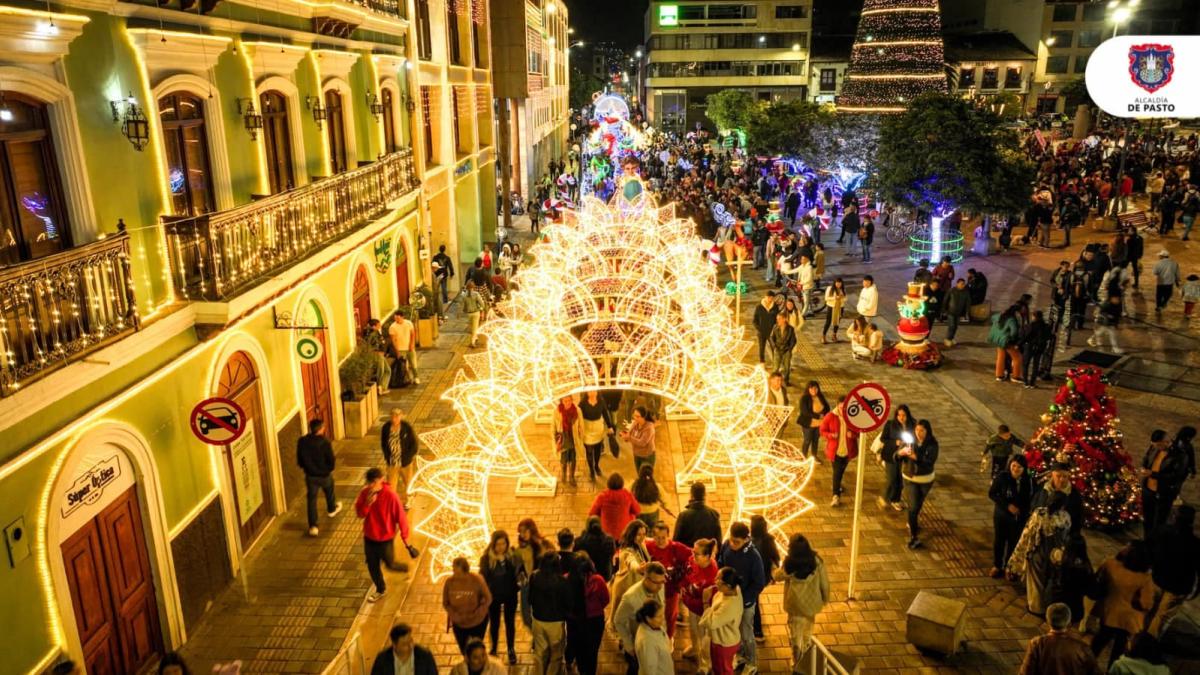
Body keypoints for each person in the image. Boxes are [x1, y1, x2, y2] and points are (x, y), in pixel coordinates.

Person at [1092, 542, 1156, 668]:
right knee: (1118, 650)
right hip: (1129, 621)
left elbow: (1099, 579)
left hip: (1109, 613)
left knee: (1098, 643)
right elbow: (1146, 604)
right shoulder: (1144, 578)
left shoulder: (1110, 564)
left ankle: (1086, 666)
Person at [1008, 492, 1073, 615]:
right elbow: (1066, 535)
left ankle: (1036, 608)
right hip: (1056, 553)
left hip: (1040, 550)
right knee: (1050, 579)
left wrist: (1017, 556)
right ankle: (1049, 604)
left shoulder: (1039, 514)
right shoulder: (1065, 517)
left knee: (1036, 581)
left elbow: (1028, 534)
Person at [355, 468, 411, 602]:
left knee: (390, 564)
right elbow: (360, 514)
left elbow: (401, 517)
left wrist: (406, 540)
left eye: (373, 482)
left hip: (385, 539)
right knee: (372, 566)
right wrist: (368, 504)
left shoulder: (390, 495)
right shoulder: (365, 493)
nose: (370, 486)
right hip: (369, 537)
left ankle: (406, 568)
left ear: (380, 480)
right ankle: (380, 589)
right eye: (369, 483)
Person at [773, 534, 829, 669]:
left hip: (795, 605)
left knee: (795, 633)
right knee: (807, 631)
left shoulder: (790, 564)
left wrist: (774, 569)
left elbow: (778, 576)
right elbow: (824, 584)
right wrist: (825, 598)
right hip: (811, 604)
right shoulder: (816, 561)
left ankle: (797, 660)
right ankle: (807, 653)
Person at [717, 522, 766, 673]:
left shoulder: (754, 557)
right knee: (736, 630)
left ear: (746, 539)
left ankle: (752, 663)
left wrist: (742, 598)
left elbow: (759, 583)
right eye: (731, 540)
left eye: (736, 542)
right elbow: (721, 563)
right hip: (730, 599)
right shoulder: (727, 545)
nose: (732, 544)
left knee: (747, 633)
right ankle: (741, 655)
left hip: (746, 603)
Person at [1147, 506, 1199, 637]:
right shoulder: (1195, 544)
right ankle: (1147, 643)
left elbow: (1148, 550)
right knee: (1161, 618)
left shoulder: (1161, 532)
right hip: (1177, 587)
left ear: (1175, 517)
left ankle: (1136, 639)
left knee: (1148, 610)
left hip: (1157, 579)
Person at [1016, 603, 1102, 675]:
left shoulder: (1037, 644)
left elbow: (1025, 672)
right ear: (1069, 622)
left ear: (1048, 621)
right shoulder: (1081, 647)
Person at [612, 562, 667, 674]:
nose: (660, 586)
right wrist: (629, 645)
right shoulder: (630, 597)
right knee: (636, 669)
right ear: (646, 578)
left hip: (656, 638)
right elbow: (618, 621)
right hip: (639, 644)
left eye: (662, 581)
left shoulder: (659, 586)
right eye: (656, 582)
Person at [479, 531, 523, 663]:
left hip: (510, 595)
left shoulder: (512, 556)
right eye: (498, 544)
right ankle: (494, 648)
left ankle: (511, 649)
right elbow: (483, 576)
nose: (501, 547)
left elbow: (519, 571)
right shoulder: (487, 558)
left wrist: (519, 581)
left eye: (503, 543)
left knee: (510, 623)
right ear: (493, 545)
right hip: (493, 596)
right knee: (494, 623)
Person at [989, 455, 1033, 578]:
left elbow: (1030, 498)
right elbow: (992, 494)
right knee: (1000, 541)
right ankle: (997, 565)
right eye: (1014, 465)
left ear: (1024, 468)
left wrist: (1023, 511)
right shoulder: (1002, 477)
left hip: (1019, 518)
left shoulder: (1028, 481)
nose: (1016, 469)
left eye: (1019, 467)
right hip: (1002, 516)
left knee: (1013, 542)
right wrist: (1007, 506)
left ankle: (1009, 567)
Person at [898, 419, 938, 549]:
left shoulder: (932, 444)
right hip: (910, 478)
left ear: (927, 431)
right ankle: (913, 536)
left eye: (922, 430)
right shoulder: (909, 441)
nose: (918, 433)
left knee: (919, 504)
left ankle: (913, 521)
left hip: (926, 479)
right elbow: (895, 456)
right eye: (917, 430)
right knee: (913, 507)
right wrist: (901, 453)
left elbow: (930, 461)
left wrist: (917, 457)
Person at [1140, 429, 1189, 536]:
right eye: (1153, 445)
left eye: (1158, 445)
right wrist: (1143, 466)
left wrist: (1152, 474)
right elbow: (1146, 457)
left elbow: (1176, 477)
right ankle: (1147, 541)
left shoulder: (1180, 455)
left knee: (1158, 522)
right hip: (1148, 491)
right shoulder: (1154, 447)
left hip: (1163, 494)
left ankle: (1155, 545)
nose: (1155, 448)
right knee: (1147, 520)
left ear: (1166, 442)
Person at [297, 418, 341, 536]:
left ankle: (313, 526)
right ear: (321, 429)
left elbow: (300, 459)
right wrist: (328, 469)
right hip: (324, 475)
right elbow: (331, 459)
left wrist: (306, 468)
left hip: (310, 476)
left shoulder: (302, 441)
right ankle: (331, 509)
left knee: (312, 500)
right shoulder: (325, 442)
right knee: (329, 490)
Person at [530, 552, 572, 675]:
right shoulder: (562, 581)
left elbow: (530, 598)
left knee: (539, 653)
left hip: (538, 620)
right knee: (556, 655)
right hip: (556, 623)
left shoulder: (534, 576)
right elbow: (568, 603)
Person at [681, 538, 719, 673]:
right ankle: (694, 647)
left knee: (704, 638)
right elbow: (687, 572)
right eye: (693, 551)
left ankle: (705, 664)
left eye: (697, 553)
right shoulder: (694, 561)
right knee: (693, 629)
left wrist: (685, 599)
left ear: (707, 556)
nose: (693, 555)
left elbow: (704, 603)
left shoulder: (712, 576)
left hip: (702, 611)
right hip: (691, 604)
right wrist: (683, 586)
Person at [701, 567, 745, 675]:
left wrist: (705, 602)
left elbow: (711, 623)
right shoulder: (735, 588)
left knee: (724, 670)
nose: (715, 580)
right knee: (718, 667)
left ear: (728, 586)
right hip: (722, 639)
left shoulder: (729, 606)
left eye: (718, 579)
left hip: (724, 643)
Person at [443, 556, 492, 654]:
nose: (455, 575)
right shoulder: (449, 583)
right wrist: (455, 616)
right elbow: (446, 603)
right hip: (459, 624)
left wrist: (478, 613)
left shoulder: (477, 580)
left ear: (465, 571)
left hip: (477, 623)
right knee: (464, 650)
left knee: (476, 649)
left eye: (458, 572)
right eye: (454, 571)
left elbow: (488, 598)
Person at [820, 395, 860, 507]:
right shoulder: (830, 416)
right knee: (837, 472)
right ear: (837, 406)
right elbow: (822, 430)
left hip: (848, 450)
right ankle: (835, 495)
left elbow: (859, 432)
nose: (843, 410)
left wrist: (853, 435)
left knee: (840, 471)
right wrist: (831, 435)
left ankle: (836, 485)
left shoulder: (852, 416)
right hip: (835, 451)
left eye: (845, 408)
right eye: (841, 407)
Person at [576, 554, 611, 675]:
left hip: (578, 619)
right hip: (596, 619)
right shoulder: (599, 580)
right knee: (593, 650)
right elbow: (606, 599)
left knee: (580, 648)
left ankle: (581, 670)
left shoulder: (570, 580)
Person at [610, 519, 652, 621]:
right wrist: (638, 568)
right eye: (639, 534)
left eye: (644, 534)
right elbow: (631, 562)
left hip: (636, 588)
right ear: (632, 534)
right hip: (625, 587)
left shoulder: (641, 543)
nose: (642, 537)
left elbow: (650, 540)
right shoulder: (627, 551)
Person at [876, 404, 914, 511]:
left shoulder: (912, 425)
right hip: (891, 456)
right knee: (892, 479)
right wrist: (895, 442)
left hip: (905, 457)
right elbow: (884, 439)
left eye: (904, 415)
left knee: (900, 480)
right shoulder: (890, 425)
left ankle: (896, 500)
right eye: (899, 415)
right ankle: (885, 497)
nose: (901, 418)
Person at [1032, 461, 1085, 537]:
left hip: (1064, 537)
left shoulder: (1074, 494)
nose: (1061, 479)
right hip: (1041, 535)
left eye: (1064, 476)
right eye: (1058, 476)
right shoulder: (1043, 489)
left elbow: (1078, 519)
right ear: (1052, 476)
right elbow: (1033, 506)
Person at [749, 515, 780, 642]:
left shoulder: (750, 542)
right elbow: (776, 558)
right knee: (754, 599)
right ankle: (757, 631)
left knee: (754, 601)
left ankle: (758, 631)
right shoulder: (769, 540)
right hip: (764, 577)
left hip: (753, 578)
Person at [380, 408, 417, 504]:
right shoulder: (386, 428)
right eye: (393, 416)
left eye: (397, 416)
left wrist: (409, 456)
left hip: (405, 462)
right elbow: (383, 443)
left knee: (408, 482)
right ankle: (392, 502)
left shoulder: (406, 427)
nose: (394, 418)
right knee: (391, 484)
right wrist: (387, 456)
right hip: (392, 461)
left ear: (401, 416)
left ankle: (410, 498)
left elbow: (414, 443)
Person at [369, 623, 438, 675]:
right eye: (404, 644)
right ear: (394, 645)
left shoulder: (424, 656)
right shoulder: (382, 660)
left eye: (411, 641)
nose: (410, 646)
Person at [579, 391, 616, 485]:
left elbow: (605, 414)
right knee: (589, 451)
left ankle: (596, 466)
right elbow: (578, 415)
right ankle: (591, 470)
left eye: (594, 391)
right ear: (586, 392)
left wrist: (610, 426)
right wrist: (578, 426)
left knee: (597, 450)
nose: (592, 393)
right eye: (590, 391)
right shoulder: (582, 403)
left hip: (598, 429)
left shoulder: (601, 401)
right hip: (587, 429)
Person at [516, 518, 548, 626]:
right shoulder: (522, 548)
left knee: (540, 615)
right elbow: (519, 567)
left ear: (531, 530)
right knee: (526, 617)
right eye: (520, 531)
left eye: (525, 531)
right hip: (527, 585)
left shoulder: (543, 545)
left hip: (541, 585)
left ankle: (538, 639)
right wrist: (520, 576)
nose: (522, 534)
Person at [589, 473, 641, 540]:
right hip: (624, 532)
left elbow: (592, 513)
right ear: (622, 483)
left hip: (606, 533)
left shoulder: (602, 496)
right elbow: (637, 511)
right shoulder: (627, 495)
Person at [674, 482, 722, 547]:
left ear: (691, 495)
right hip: (708, 555)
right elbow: (718, 542)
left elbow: (676, 542)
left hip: (689, 555)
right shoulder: (714, 514)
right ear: (705, 495)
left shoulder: (683, 516)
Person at [633, 599, 673, 675]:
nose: (663, 619)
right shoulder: (647, 642)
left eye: (662, 615)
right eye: (659, 616)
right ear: (648, 618)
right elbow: (650, 671)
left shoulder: (655, 625)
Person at [553, 395, 585, 487]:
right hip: (563, 438)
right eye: (565, 401)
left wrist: (581, 436)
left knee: (573, 458)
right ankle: (563, 474)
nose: (568, 403)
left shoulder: (577, 410)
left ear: (572, 400)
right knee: (563, 459)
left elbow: (581, 424)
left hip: (573, 438)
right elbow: (553, 425)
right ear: (562, 401)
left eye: (569, 400)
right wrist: (555, 439)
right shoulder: (557, 411)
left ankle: (571, 477)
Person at [797, 381, 830, 464]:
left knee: (815, 440)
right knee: (807, 440)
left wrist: (824, 415)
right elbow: (805, 412)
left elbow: (827, 407)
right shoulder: (804, 398)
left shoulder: (820, 397)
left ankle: (814, 456)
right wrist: (818, 416)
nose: (814, 390)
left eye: (815, 388)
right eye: (811, 388)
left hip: (819, 424)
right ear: (808, 389)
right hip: (809, 424)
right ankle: (803, 457)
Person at [633, 464, 675, 529]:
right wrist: (669, 510)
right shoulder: (657, 486)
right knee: (653, 530)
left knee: (639, 530)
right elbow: (665, 500)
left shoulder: (634, 485)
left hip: (639, 513)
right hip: (653, 512)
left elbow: (628, 496)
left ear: (640, 474)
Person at [575, 515, 617, 580]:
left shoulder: (579, 542)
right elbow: (612, 554)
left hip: (586, 576)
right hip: (605, 576)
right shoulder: (609, 540)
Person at [989, 306, 1022, 382]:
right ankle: (1016, 376)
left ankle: (999, 375)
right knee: (1017, 358)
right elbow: (1014, 332)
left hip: (999, 340)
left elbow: (992, 318)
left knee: (1000, 357)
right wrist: (1013, 339)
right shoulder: (1011, 320)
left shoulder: (997, 317)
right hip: (1007, 341)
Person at [621, 406, 657, 474]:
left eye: (638, 416)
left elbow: (642, 442)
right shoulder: (635, 423)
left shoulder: (649, 428)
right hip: (637, 455)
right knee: (639, 474)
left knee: (646, 476)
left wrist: (629, 438)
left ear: (644, 417)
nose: (635, 418)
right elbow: (630, 433)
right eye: (634, 416)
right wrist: (625, 436)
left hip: (647, 456)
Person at [387, 309, 420, 386]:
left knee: (413, 363)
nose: (396, 320)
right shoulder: (392, 327)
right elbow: (393, 340)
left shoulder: (408, 323)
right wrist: (397, 351)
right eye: (395, 318)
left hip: (409, 347)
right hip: (400, 349)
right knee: (404, 365)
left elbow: (412, 334)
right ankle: (408, 378)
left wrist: (412, 344)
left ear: (402, 317)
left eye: (398, 318)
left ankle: (416, 377)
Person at [1021, 310, 1053, 386]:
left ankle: (1025, 382)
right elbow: (1049, 337)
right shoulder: (1046, 326)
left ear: (1034, 317)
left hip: (1029, 347)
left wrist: (1019, 344)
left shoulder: (1030, 325)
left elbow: (1025, 336)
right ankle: (1032, 382)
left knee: (1025, 364)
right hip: (1040, 348)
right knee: (1036, 365)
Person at [361, 319, 392, 394]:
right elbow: (372, 345)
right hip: (377, 354)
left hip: (380, 354)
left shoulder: (376, 332)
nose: (380, 326)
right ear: (374, 326)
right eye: (378, 325)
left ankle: (382, 387)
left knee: (387, 370)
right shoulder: (372, 334)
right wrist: (378, 352)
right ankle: (380, 387)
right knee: (381, 371)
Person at [768, 312, 796, 385]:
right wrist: (774, 346)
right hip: (777, 349)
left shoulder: (790, 329)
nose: (778, 321)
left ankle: (786, 381)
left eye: (779, 319)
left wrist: (790, 349)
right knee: (775, 367)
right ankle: (773, 381)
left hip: (786, 350)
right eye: (777, 319)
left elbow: (793, 340)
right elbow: (771, 337)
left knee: (787, 367)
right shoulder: (775, 327)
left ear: (784, 319)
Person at [752, 292, 779, 363]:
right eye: (769, 297)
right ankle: (762, 362)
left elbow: (777, 319)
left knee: (774, 348)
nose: (770, 299)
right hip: (762, 332)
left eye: (772, 298)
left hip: (772, 332)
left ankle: (775, 362)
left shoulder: (775, 306)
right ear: (765, 297)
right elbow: (754, 320)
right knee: (762, 348)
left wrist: (775, 328)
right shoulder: (759, 307)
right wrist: (759, 328)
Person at [943, 278, 970, 347]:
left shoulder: (966, 292)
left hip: (959, 313)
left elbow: (967, 303)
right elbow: (945, 300)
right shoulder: (951, 290)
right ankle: (947, 339)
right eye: (961, 284)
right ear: (957, 284)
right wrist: (944, 310)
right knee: (951, 326)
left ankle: (951, 338)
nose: (962, 285)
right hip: (950, 312)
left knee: (955, 326)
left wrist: (966, 313)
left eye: (963, 284)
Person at [822, 277, 846, 343]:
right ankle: (823, 336)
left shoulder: (842, 289)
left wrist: (841, 298)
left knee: (837, 322)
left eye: (840, 283)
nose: (838, 284)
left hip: (840, 307)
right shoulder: (830, 288)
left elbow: (845, 299)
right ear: (834, 283)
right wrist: (834, 298)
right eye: (837, 283)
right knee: (828, 321)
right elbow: (826, 298)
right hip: (831, 307)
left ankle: (834, 335)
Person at [462, 281, 485, 348]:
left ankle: (475, 337)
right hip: (476, 313)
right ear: (474, 287)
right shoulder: (476, 294)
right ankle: (472, 342)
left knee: (472, 328)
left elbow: (462, 306)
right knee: (475, 328)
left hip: (468, 314)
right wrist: (481, 309)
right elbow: (482, 304)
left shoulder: (463, 295)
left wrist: (461, 312)